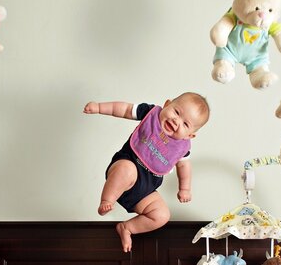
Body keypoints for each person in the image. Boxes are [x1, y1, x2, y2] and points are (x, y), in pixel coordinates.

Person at [83, 92, 210, 252]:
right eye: (176, 112)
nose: (176, 121)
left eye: (185, 124)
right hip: (123, 169)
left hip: (144, 190)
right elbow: (124, 109)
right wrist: (99, 107)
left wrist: (184, 189)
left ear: (190, 135)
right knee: (128, 170)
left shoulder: (181, 148)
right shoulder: (150, 114)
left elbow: (184, 167)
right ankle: (107, 200)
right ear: (167, 104)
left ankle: (127, 228)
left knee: (162, 215)